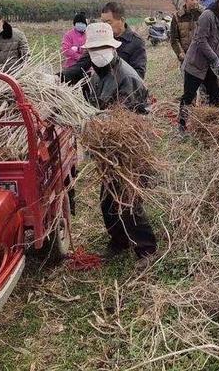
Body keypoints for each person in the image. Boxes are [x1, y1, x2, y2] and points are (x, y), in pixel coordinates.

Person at [83, 22, 157, 262]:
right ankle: (119, 241)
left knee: (127, 198)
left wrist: (100, 124)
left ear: (113, 48)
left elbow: (127, 120)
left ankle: (146, 249)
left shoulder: (126, 77)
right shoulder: (98, 75)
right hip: (107, 147)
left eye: (103, 48)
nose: (98, 54)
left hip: (127, 148)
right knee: (107, 199)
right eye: (94, 50)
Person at [179, 0, 219, 132]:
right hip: (196, 63)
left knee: (215, 95)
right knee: (188, 96)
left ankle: (212, 124)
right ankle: (181, 127)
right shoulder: (208, 15)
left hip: (210, 66)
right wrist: (215, 60)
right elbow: (200, 40)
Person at [101, 2, 147, 79]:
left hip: (124, 89)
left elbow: (139, 75)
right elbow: (83, 62)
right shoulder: (101, 40)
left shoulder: (136, 42)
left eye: (108, 22)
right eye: (103, 22)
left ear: (122, 20)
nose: (104, 26)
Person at [170, 0, 202, 64]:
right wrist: (181, 54)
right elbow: (174, 39)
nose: (195, 2)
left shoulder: (203, 14)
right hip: (186, 58)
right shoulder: (177, 17)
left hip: (201, 57)